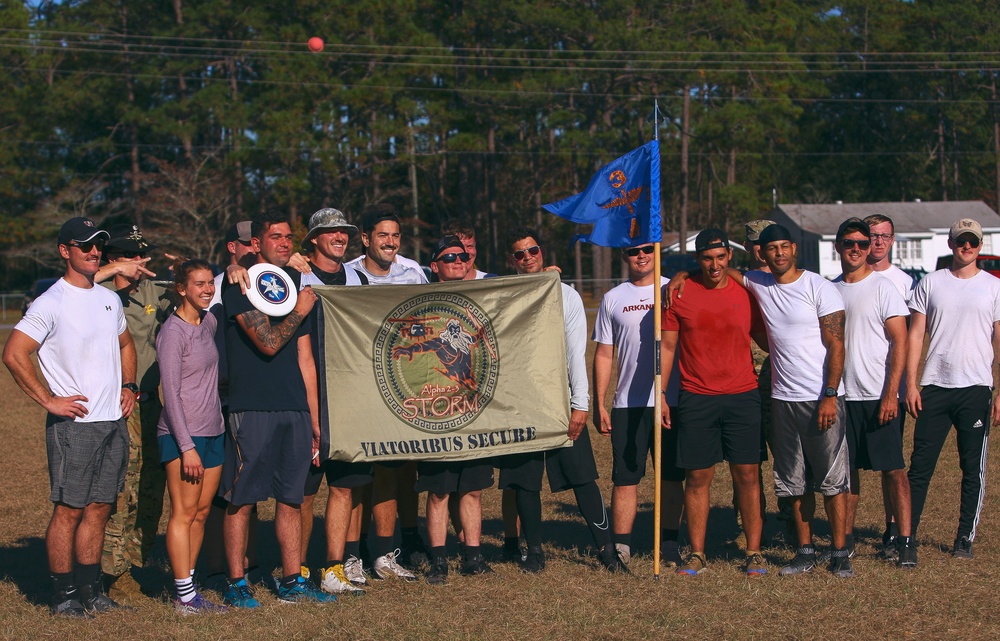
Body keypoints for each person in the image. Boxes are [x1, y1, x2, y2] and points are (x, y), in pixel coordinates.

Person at [3, 217, 136, 617]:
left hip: (113, 421)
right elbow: (13, 353)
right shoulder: (51, 302)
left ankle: (90, 590)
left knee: (100, 507)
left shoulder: (108, 298)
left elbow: (126, 344)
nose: (94, 252)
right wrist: (49, 400)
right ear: (65, 251)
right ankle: (63, 597)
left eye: (99, 245)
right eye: (85, 246)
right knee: (69, 509)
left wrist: (128, 387)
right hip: (74, 426)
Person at [218, 211, 335, 606]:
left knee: (292, 498)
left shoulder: (297, 284)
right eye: (276, 237)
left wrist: (315, 418)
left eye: (289, 237)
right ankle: (236, 583)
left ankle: (291, 581)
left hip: (295, 409)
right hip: (251, 407)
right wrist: (301, 309)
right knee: (242, 498)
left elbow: (305, 358)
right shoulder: (240, 283)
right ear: (257, 244)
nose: (285, 243)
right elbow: (266, 341)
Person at [499, 227, 615, 573]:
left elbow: (576, 352)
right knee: (525, 479)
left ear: (542, 252)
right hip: (521, 402)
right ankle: (534, 552)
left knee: (582, 477)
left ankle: (606, 551)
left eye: (532, 251)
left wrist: (581, 403)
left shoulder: (567, 296)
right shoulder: (505, 293)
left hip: (560, 400)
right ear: (512, 260)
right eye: (519, 254)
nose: (527, 258)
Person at [743, 224, 853, 578]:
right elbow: (723, 271)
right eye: (771, 248)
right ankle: (805, 551)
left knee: (833, 480)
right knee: (793, 482)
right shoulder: (758, 283)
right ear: (763, 252)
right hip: (782, 399)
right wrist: (682, 274)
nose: (778, 253)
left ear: (793, 248)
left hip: (820, 397)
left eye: (783, 247)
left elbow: (837, 344)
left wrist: (830, 395)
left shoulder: (818, 287)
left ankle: (839, 552)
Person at [659, 229, 767, 576]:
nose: (715, 264)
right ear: (697, 260)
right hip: (696, 396)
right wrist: (661, 393)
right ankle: (697, 554)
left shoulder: (748, 291)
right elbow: (668, 347)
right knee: (698, 477)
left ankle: (753, 552)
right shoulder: (680, 292)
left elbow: (769, 338)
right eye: (707, 258)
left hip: (743, 394)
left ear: (729, 257)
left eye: (720, 257)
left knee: (748, 475)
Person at [906, 218, 1000, 560]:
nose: (967, 247)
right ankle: (906, 535)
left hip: (976, 388)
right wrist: (911, 383)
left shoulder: (993, 287)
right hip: (934, 386)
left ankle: (964, 538)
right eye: (961, 241)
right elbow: (916, 334)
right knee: (920, 467)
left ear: (979, 245)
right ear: (951, 244)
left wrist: (999, 390)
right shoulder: (930, 283)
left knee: (971, 468)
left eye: (972, 241)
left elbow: (999, 339)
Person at [407, 236, 497, 584]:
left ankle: (473, 557)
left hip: (473, 409)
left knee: (472, 489)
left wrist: (550, 274)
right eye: (449, 257)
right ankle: (439, 561)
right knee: (440, 490)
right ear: (435, 265)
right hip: (436, 412)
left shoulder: (483, 296)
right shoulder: (423, 300)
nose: (459, 261)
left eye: (463, 256)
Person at [592, 241, 685, 573]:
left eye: (648, 249)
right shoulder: (613, 298)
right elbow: (604, 353)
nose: (642, 255)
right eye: (633, 251)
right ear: (624, 256)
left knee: (672, 477)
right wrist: (599, 402)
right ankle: (622, 547)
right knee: (625, 479)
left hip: (669, 401)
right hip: (628, 404)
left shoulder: (673, 289)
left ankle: (670, 544)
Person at [345, 204, 426, 580]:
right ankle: (354, 552)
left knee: (394, 470)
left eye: (395, 235)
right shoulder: (346, 275)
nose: (390, 242)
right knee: (359, 473)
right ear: (366, 238)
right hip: (358, 385)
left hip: (400, 386)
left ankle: (384, 553)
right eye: (382, 235)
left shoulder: (413, 273)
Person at [94, 223, 173, 600]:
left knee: (150, 489)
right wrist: (110, 274)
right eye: (132, 257)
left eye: (144, 256)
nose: (141, 264)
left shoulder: (153, 291)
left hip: (153, 406)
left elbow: (202, 293)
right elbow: (60, 290)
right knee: (119, 489)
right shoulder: (94, 292)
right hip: (115, 406)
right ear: (112, 260)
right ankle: (109, 570)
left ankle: (135, 564)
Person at [831, 218, 915, 568]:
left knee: (893, 469)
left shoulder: (883, 288)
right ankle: (845, 540)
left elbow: (901, 340)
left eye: (863, 244)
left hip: (878, 395)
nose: (856, 249)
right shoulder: (828, 289)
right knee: (845, 476)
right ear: (837, 246)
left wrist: (890, 393)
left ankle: (905, 542)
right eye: (849, 243)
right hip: (841, 398)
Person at [297, 208, 369, 595]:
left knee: (344, 486)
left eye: (344, 232)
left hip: (349, 398)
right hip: (307, 395)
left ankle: (333, 568)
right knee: (305, 491)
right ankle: (301, 566)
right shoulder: (298, 276)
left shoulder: (358, 278)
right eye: (331, 232)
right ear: (313, 239)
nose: (340, 237)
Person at [156, 259, 229, 614]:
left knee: (201, 513)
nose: (206, 289)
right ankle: (184, 596)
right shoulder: (172, 333)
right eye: (198, 284)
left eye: (208, 283)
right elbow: (169, 395)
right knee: (183, 514)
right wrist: (186, 447)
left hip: (214, 432)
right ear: (181, 289)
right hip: (182, 437)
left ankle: (190, 588)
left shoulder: (209, 321)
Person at [863, 213, 915, 558]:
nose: (878, 241)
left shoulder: (904, 282)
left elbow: (908, 339)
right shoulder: (845, 279)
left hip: (890, 387)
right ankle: (889, 527)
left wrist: (905, 385)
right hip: (858, 387)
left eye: (885, 236)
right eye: (872, 236)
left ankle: (898, 531)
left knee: (892, 462)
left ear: (893, 240)